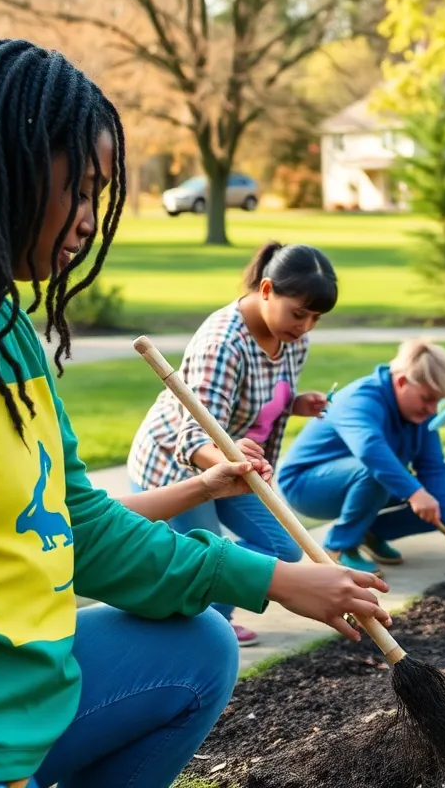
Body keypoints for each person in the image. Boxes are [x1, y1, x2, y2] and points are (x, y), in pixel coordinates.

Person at [0, 40, 391, 788]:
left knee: (198, 649)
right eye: (82, 189)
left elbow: (76, 519)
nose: (87, 223)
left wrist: (273, 578)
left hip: (14, 686)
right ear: (5, 160)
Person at [128, 241, 336, 647]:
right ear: (266, 289)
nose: (306, 326)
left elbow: (253, 396)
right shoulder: (223, 343)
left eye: (316, 318)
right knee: (211, 556)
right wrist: (228, 468)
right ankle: (205, 628)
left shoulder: (292, 339)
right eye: (299, 313)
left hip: (236, 466)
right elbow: (191, 437)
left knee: (285, 545)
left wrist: (293, 404)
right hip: (177, 468)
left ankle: (207, 602)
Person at [276, 339, 445, 575]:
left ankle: (369, 533)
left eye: (438, 400)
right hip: (306, 485)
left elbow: (433, 468)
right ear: (402, 382)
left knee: (435, 501)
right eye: (427, 398)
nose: (433, 409)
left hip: (363, 480)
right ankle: (339, 548)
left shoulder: (421, 415)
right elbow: (370, 449)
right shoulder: (360, 399)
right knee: (377, 472)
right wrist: (414, 492)